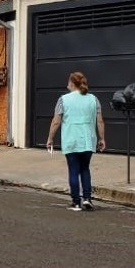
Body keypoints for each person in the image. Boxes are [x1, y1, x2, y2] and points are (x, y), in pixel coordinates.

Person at [47, 72, 106, 211]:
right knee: (85, 168)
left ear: (72, 83)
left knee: (73, 170)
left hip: (71, 139)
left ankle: (76, 201)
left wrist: (50, 138)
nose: (67, 84)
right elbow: (100, 121)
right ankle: (87, 198)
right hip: (88, 140)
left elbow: (56, 122)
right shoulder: (93, 99)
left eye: (68, 81)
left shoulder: (63, 99)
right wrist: (102, 138)